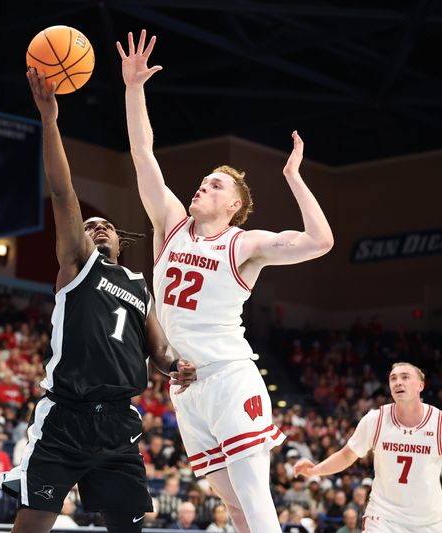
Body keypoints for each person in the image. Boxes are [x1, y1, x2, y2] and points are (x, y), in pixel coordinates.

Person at [118, 30, 334, 533]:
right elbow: (142, 153)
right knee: (231, 504)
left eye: (216, 184)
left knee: (255, 498)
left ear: (234, 204)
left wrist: (295, 178)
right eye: (203, 180)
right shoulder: (169, 222)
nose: (202, 185)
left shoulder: (245, 243)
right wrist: (133, 89)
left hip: (230, 376)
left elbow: (320, 241)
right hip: (185, 387)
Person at [0, 67, 195, 533]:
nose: (98, 226)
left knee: (128, 529)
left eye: (106, 225)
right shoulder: (77, 265)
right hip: (66, 415)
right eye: (90, 225)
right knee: (33, 525)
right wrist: (50, 120)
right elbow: (63, 192)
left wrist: (176, 366)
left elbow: (160, 351)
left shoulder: (138, 284)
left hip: (119, 425)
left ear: (120, 243)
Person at [294, 362, 442, 532]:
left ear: (420, 385)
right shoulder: (376, 419)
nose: (398, 382)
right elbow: (347, 455)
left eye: (405, 377)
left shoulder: (438, 423)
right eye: (393, 378)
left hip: (428, 521)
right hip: (383, 516)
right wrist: (315, 470)